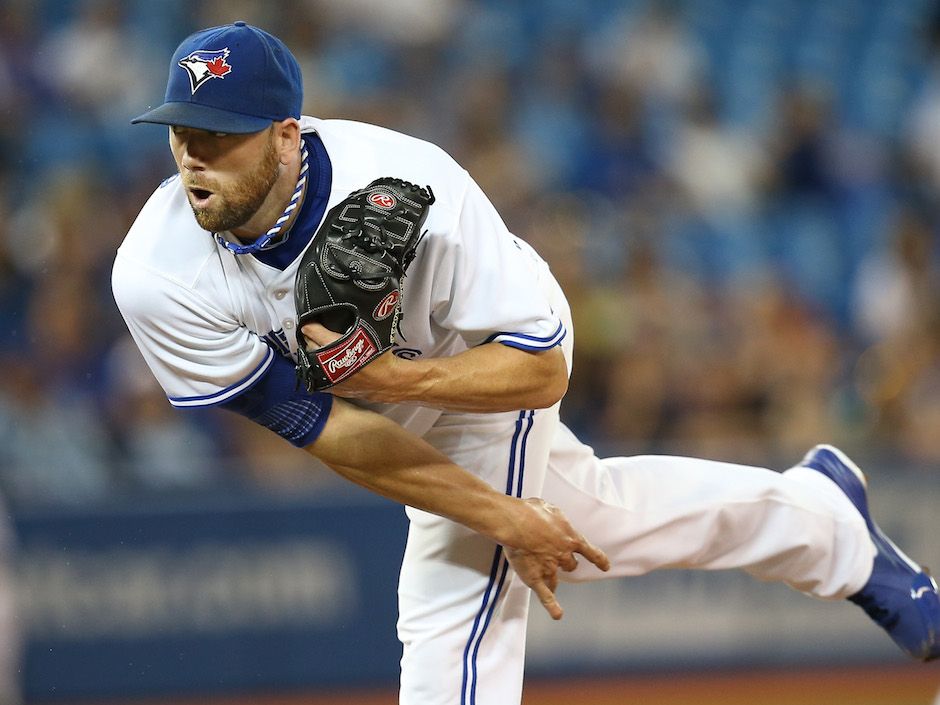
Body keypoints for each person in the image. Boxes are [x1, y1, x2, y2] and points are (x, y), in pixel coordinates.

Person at [114, 22, 939, 705]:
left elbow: (542, 367)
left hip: (489, 364)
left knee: (450, 613)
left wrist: (403, 391)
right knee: (597, 514)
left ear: (288, 133)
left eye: (221, 135)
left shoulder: (416, 186)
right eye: (183, 130)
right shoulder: (155, 274)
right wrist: (504, 510)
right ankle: (822, 520)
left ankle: (822, 524)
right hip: (382, 407)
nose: (193, 155)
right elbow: (318, 425)